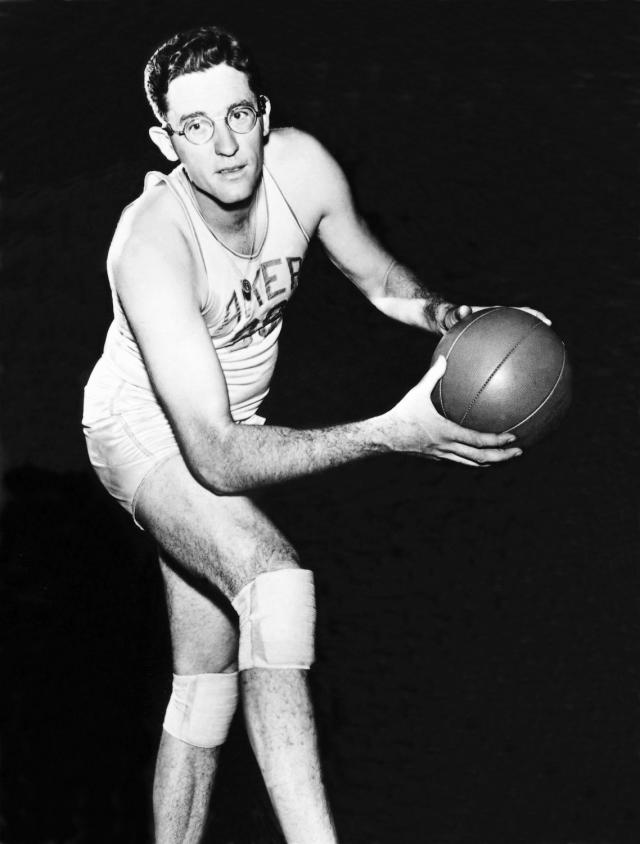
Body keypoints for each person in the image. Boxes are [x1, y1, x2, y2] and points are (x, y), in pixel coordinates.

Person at [82, 25, 543, 844]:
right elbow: (215, 457)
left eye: (237, 116)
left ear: (264, 112)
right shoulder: (151, 246)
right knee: (275, 583)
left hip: (231, 427)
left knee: (205, 682)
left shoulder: (301, 167)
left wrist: (452, 316)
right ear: (164, 139)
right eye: (195, 127)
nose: (225, 146)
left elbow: (379, 280)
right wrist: (392, 431)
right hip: (148, 428)